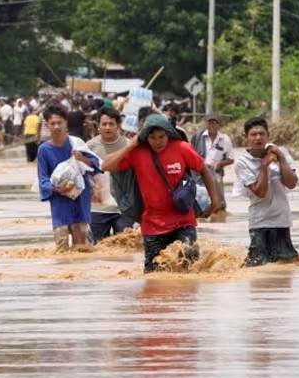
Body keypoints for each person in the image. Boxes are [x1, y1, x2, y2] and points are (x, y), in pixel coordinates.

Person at [102, 114, 220, 273]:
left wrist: (214, 201)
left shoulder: (182, 148)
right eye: (152, 137)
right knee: (153, 274)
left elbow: (203, 170)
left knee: (188, 263)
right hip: (152, 224)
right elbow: (106, 165)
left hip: (183, 221)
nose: (158, 141)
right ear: (145, 137)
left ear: (169, 134)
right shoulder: (137, 153)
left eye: (161, 136)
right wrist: (131, 145)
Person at [233, 117, 299, 267]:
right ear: (246, 138)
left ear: (268, 135)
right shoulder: (242, 163)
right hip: (260, 222)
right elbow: (260, 192)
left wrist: (281, 158)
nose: (258, 138)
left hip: (282, 220)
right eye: (253, 134)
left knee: (285, 266)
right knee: (258, 266)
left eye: (261, 134)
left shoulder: (281, 152)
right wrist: (264, 166)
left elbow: (291, 183)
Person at [36, 105, 100, 252]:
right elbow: (43, 179)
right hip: (60, 202)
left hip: (80, 200)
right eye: (52, 123)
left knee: (82, 248)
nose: (57, 127)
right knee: (62, 247)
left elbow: (97, 165)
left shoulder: (76, 143)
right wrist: (57, 189)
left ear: (66, 122)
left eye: (60, 122)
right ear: (46, 125)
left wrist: (82, 158)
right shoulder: (43, 150)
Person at [85, 107, 135, 242]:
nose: (108, 127)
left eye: (111, 124)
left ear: (118, 125)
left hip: (124, 209)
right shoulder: (89, 147)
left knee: (125, 249)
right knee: (97, 251)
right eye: (104, 124)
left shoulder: (129, 146)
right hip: (97, 209)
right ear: (98, 127)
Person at [191, 114, 234, 219]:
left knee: (217, 197)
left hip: (216, 171)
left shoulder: (225, 139)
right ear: (206, 124)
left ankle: (219, 212)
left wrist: (219, 164)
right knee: (199, 195)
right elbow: (191, 153)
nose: (212, 125)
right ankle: (200, 215)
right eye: (210, 122)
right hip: (199, 170)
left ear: (219, 125)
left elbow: (231, 159)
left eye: (215, 122)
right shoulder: (198, 137)